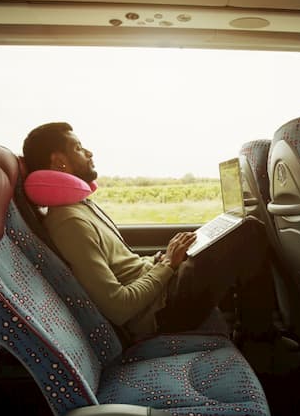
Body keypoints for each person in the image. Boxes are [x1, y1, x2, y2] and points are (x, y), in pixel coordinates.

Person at [22, 121, 276, 343]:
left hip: (161, 289)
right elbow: (119, 308)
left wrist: (161, 259)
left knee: (225, 234)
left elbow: (126, 268)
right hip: (160, 311)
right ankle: (262, 342)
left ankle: (254, 333)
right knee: (249, 232)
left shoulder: (80, 207)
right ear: (59, 162)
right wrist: (167, 264)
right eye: (78, 148)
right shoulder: (68, 223)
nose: (89, 152)